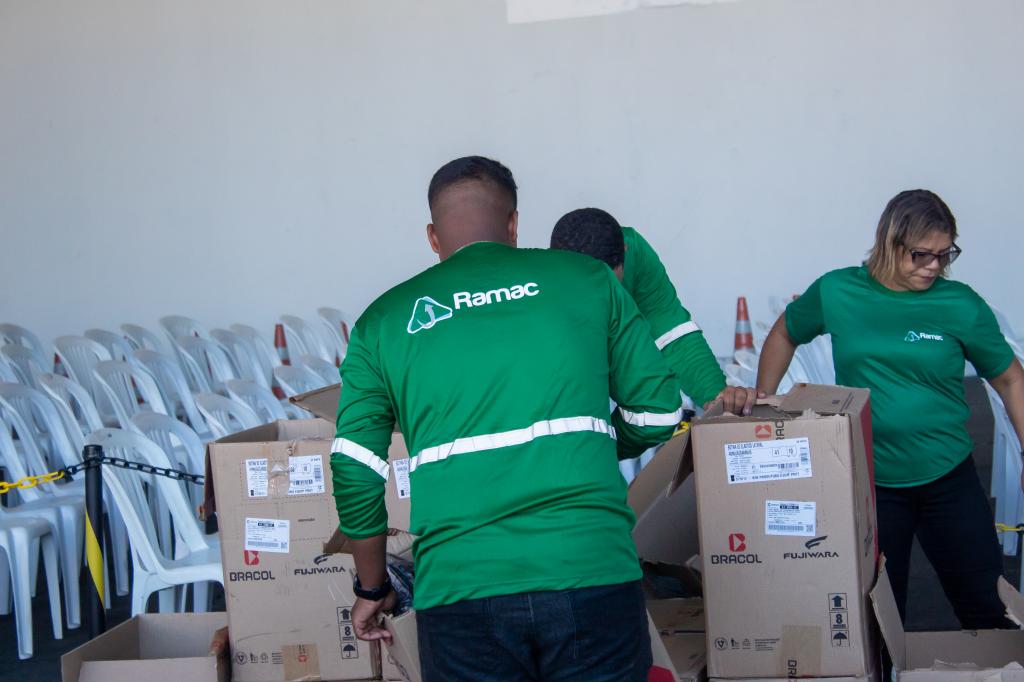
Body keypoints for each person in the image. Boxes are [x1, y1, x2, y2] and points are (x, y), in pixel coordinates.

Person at [331, 156, 684, 681]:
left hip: (460, 586)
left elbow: (354, 469)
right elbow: (658, 412)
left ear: (433, 237)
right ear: (514, 224)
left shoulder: (381, 322)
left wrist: (372, 586)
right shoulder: (589, 279)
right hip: (590, 566)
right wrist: (583, 451)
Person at [757, 189, 1024, 628]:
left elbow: (1011, 378)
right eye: (922, 255)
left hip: (949, 478)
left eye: (945, 254)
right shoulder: (838, 291)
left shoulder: (960, 304)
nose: (934, 266)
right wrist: (762, 406)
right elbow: (786, 331)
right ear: (889, 243)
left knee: (988, 608)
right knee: (878, 617)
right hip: (870, 484)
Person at [551, 207, 758, 416]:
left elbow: (671, 334)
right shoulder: (541, 284)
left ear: (625, 251)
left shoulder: (634, 254)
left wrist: (717, 396)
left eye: (609, 285)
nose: (603, 298)